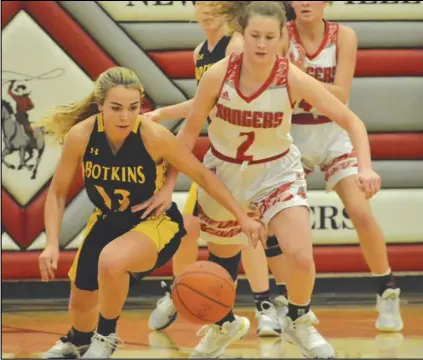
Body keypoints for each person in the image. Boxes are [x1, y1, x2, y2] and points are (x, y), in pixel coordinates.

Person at [154, 1, 381, 357]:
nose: (261, 44)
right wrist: (167, 187)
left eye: (269, 37)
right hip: (225, 173)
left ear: (281, 40)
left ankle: (299, 320)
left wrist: (365, 167)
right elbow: (187, 136)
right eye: (255, 36)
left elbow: (352, 120)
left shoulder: (291, 76)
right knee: (222, 267)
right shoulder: (218, 74)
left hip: (277, 172)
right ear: (241, 35)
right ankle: (223, 325)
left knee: (301, 258)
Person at [36, 67, 266, 359]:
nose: (125, 116)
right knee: (81, 304)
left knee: (111, 261)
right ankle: (79, 340)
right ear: (100, 106)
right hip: (106, 221)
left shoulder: (152, 136)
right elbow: (56, 193)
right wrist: (52, 243)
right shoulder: (81, 135)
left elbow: (203, 176)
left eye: (133, 108)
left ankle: (106, 337)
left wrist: (242, 217)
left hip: (154, 222)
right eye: (116, 108)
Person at [144, 1, 282, 337]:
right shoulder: (199, 52)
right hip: (220, 152)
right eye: (200, 3)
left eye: (213, 3)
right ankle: (183, 291)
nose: (206, 10)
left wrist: (163, 113)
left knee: (245, 232)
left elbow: (210, 98)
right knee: (188, 227)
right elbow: (204, 102)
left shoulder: (236, 44)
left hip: (250, 152)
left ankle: (265, 304)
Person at [267, 0, 403, 332]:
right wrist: (310, 90)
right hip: (291, 134)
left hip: (333, 136)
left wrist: (299, 83)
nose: (305, 3)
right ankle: (284, 299)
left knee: (360, 211)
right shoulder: (281, 34)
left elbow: (341, 96)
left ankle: (386, 290)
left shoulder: (344, 36)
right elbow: (276, 87)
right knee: (273, 223)